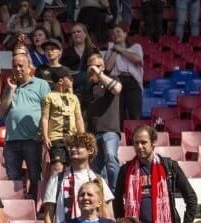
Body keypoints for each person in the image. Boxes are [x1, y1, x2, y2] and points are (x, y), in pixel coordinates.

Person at [113, 125, 197, 223]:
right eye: (136, 143)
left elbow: (191, 197)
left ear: (153, 143)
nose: (139, 147)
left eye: (143, 142)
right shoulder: (126, 169)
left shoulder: (169, 166)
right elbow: (117, 201)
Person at [40, 132, 113, 223]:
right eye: (71, 147)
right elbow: (48, 216)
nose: (73, 149)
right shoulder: (58, 178)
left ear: (90, 150)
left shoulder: (98, 180)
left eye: (78, 146)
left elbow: (107, 215)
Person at [0, 53, 49, 201]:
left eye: (21, 65)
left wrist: (41, 133)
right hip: (11, 140)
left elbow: (48, 110)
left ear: (29, 68)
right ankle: (17, 206)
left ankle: (34, 205)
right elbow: (1, 112)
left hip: (33, 139)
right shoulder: (9, 86)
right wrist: (11, 90)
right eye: (14, 66)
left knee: (34, 176)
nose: (18, 69)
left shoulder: (41, 84)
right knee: (13, 177)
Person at [77, 52, 123, 190]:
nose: (93, 69)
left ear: (103, 67)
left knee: (111, 158)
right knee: (97, 168)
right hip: (93, 133)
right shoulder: (87, 89)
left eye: (97, 66)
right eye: (90, 66)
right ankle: (103, 194)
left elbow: (117, 89)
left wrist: (99, 74)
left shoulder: (112, 79)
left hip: (110, 130)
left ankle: (116, 191)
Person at [39, 67, 85, 164]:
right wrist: (45, 137)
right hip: (55, 138)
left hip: (72, 137)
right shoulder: (49, 97)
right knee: (58, 166)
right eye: (70, 78)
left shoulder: (74, 98)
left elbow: (78, 118)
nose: (73, 80)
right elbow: (45, 118)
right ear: (60, 81)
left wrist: (82, 136)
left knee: (71, 165)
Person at [104, 22, 143, 124]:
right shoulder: (110, 51)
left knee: (135, 114)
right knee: (119, 115)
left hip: (132, 82)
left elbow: (137, 59)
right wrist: (115, 50)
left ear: (125, 34)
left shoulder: (135, 47)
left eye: (118, 32)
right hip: (117, 82)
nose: (115, 34)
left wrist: (121, 50)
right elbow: (107, 68)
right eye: (113, 33)